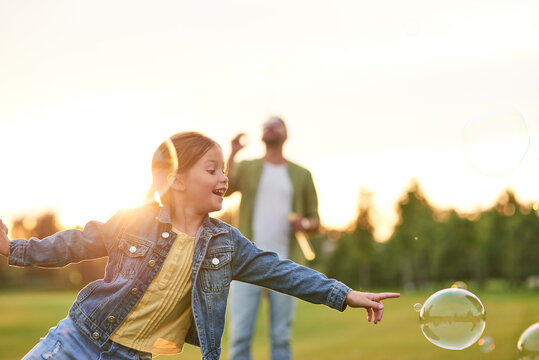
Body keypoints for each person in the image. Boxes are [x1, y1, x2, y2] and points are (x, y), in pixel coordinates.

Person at [0, 131, 400, 360]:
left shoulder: (225, 244)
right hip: (75, 342)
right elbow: (75, 243)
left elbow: (281, 272)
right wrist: (11, 250)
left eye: (224, 170)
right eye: (212, 169)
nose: (224, 178)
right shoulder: (134, 219)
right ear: (176, 180)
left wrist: (344, 294)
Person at [225, 116, 321, 360]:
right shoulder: (247, 167)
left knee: (281, 337)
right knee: (239, 337)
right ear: (262, 134)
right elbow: (223, 190)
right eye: (266, 123)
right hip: (246, 262)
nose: (269, 125)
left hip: (286, 264)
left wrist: (304, 222)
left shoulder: (302, 174)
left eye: (276, 123)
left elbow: (315, 222)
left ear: (285, 134)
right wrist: (233, 153)